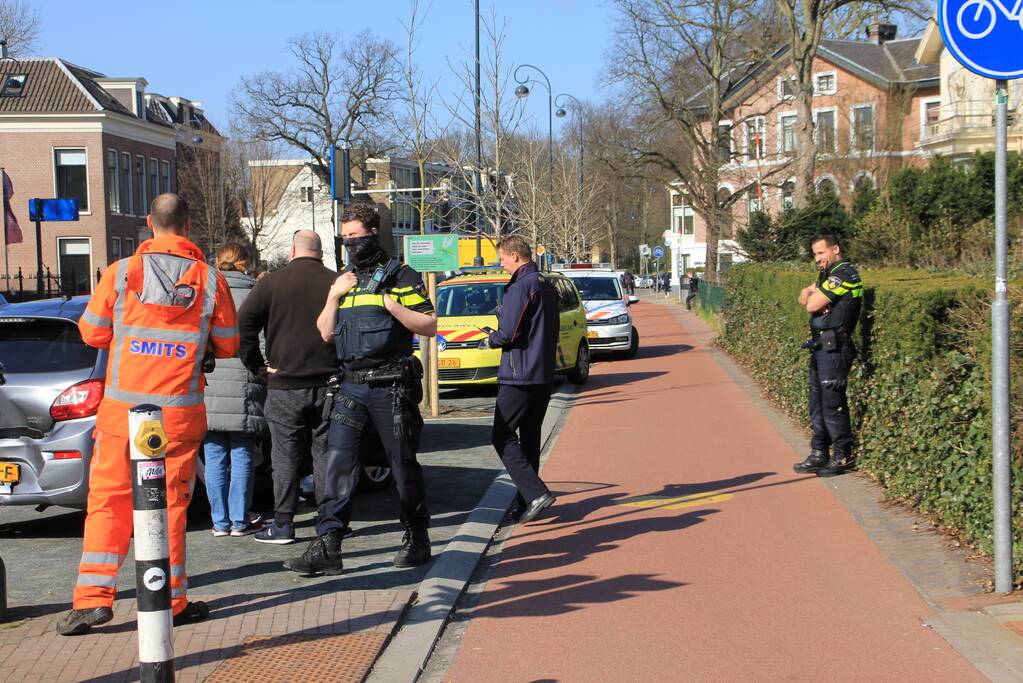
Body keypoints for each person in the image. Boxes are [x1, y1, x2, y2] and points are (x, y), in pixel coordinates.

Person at [57, 194, 238, 636]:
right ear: (189, 224)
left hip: (122, 415)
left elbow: (93, 332)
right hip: (176, 416)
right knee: (170, 510)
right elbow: (230, 343)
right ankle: (169, 600)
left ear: (147, 223)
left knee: (108, 505)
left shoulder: (119, 274)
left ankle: (91, 603)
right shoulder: (210, 281)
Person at [285, 203, 436, 575]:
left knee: (401, 465)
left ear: (373, 232)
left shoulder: (401, 276)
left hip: (390, 387)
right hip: (351, 386)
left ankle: (417, 539)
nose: (351, 243)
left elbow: (429, 324)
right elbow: (324, 331)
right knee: (337, 465)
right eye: (345, 238)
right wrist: (334, 295)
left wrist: (390, 304)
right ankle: (328, 545)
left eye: (357, 236)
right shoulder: (343, 279)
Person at [237, 230, 340, 545]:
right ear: (321, 252)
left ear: (293, 250)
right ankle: (328, 521)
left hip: (284, 385)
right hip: (330, 383)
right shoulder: (337, 282)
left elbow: (243, 327)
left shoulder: (270, 283)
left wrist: (258, 366)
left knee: (285, 455)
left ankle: (283, 524)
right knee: (326, 452)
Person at [482, 235, 558, 524]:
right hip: (542, 372)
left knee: (501, 435)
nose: (500, 264)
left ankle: (536, 494)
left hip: (519, 373)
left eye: (502, 258)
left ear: (515, 256)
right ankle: (527, 501)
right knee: (529, 437)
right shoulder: (545, 284)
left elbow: (509, 333)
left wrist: (491, 340)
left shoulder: (520, 286)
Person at [203, 243, 266, 537]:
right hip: (244, 381)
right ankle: (241, 520)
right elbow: (262, 345)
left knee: (214, 453)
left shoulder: (206, 292)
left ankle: (219, 522)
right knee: (242, 453)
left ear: (218, 262)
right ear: (245, 263)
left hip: (209, 383)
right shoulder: (255, 294)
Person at [793, 234, 862, 478]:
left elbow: (811, 305)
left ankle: (842, 455)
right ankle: (819, 452)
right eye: (814, 254)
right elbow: (804, 298)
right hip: (820, 345)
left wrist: (814, 297)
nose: (817, 259)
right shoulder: (827, 276)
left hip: (836, 347)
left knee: (833, 403)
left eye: (821, 253)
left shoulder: (844, 274)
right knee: (817, 402)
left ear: (836, 249)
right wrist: (809, 292)